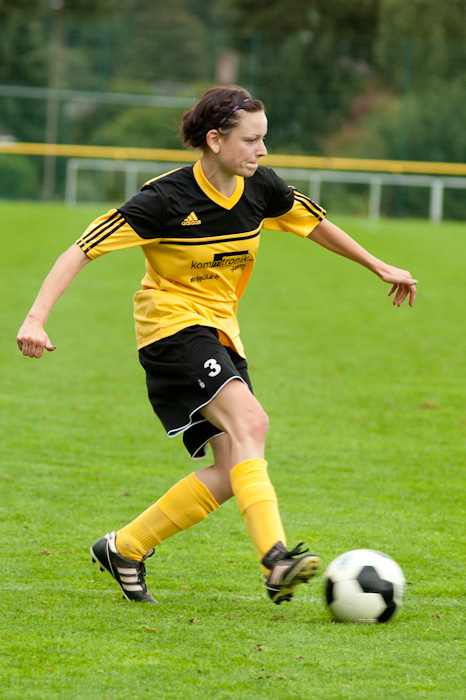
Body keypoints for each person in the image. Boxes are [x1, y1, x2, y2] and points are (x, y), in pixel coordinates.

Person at [17, 85, 418, 606]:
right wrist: (36, 318)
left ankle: (124, 547)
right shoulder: (164, 199)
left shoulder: (261, 187)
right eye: (251, 140)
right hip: (171, 328)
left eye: (264, 139)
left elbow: (315, 225)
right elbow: (80, 250)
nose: (262, 151)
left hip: (221, 331)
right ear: (214, 139)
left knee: (231, 471)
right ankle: (276, 558)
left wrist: (378, 266)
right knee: (253, 423)